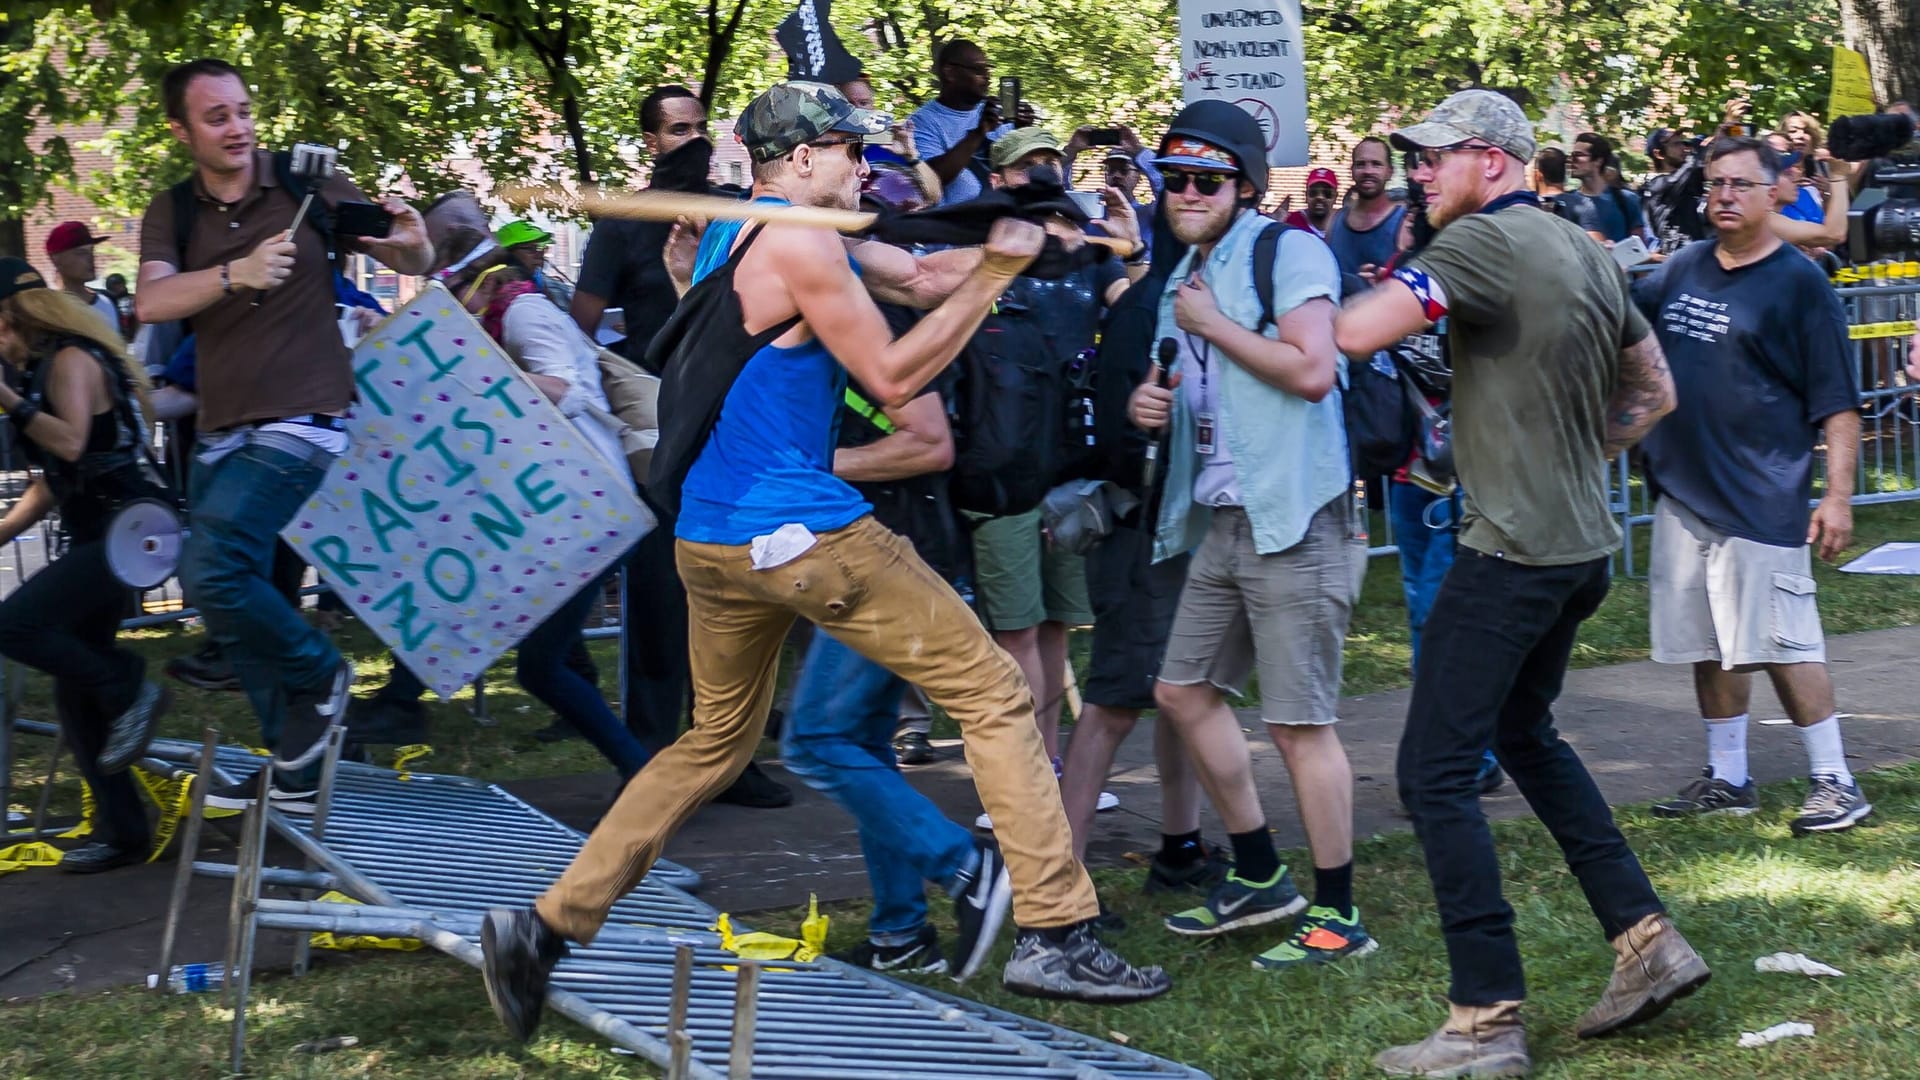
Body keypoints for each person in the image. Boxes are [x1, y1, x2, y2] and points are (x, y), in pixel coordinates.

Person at [477, 84, 1168, 1040]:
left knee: (710, 747)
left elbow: (919, 278)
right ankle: (1053, 929)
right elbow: (896, 377)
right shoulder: (802, 243)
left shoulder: (747, 234)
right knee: (995, 695)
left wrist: (1037, 246)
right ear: (800, 161)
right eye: (848, 151)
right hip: (804, 536)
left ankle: (544, 928)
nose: (863, 166)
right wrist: (995, 279)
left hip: (711, 544)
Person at [1334, 90, 1706, 1076]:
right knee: (1522, 733)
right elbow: (1654, 389)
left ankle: (1485, 1022)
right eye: (1410, 158)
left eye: (1433, 157)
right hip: (1579, 545)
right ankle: (1647, 942)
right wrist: (1578, 461)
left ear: (1491, 161)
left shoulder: (1478, 248)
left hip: (1511, 553)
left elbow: (1357, 332)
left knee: (1431, 771)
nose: (1417, 172)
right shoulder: (1583, 244)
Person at [133, 58, 434, 812]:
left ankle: (322, 674)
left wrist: (412, 243)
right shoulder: (172, 209)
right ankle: (297, 772)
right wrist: (236, 273)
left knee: (209, 570)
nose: (236, 128)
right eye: (216, 117)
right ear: (182, 130)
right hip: (221, 429)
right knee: (236, 611)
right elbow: (152, 301)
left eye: (242, 110)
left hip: (306, 417)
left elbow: (408, 255)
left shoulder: (307, 186)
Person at [1126, 101, 1376, 971]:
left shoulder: (1288, 250)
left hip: (1297, 516)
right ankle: (1264, 874)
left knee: (1300, 723)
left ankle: (1341, 914)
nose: (1186, 193)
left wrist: (1216, 329)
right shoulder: (1184, 274)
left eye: (1207, 179)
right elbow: (1168, 382)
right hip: (1225, 519)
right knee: (1182, 691)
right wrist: (1145, 403)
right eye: (1174, 179)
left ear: (1242, 184)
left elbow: (1312, 370)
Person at [1634, 137, 1871, 834]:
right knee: (1709, 644)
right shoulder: (1684, 267)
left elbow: (1838, 404)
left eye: (1740, 184)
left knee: (1780, 644)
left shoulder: (1801, 286)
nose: (1724, 197)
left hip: (1760, 498)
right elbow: (1623, 320)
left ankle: (1836, 781)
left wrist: (1836, 495)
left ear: (1775, 195)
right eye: (1714, 185)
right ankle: (1729, 777)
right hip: (1685, 496)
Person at [568, 84, 792, 807]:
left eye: (699, 126)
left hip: (732, 421)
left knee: (732, 593)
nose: (690, 140)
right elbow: (582, 318)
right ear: (651, 141)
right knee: (662, 603)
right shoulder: (625, 220)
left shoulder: (737, 210)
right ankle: (653, 765)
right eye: (675, 129)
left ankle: (729, 756)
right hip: (659, 431)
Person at [966, 127, 1143, 828]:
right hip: (1002, 463)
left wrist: (1132, 247)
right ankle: (1034, 780)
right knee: (1016, 633)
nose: (1039, 175)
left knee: (1053, 630)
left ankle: (1052, 775)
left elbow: (1131, 310)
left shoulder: (1087, 247)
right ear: (1000, 179)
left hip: (1069, 462)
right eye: (1024, 166)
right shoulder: (980, 245)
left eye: (1048, 162)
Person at [0, 259, 172, 871]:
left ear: (14, 321)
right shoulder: (59, 365)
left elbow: (70, 442)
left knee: (14, 624)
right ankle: (124, 834)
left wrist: (7, 398)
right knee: (74, 697)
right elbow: (57, 478)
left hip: (125, 530)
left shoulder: (71, 361)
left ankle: (126, 681)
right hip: (106, 529)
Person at [909, 40, 1006, 206]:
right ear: (950, 73)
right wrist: (979, 133)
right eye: (978, 70)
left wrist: (1023, 128)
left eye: (988, 69)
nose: (987, 77)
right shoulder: (921, 122)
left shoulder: (995, 112)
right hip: (953, 225)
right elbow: (931, 179)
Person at [1327, 137, 1406, 279]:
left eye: (1376, 164)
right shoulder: (1333, 222)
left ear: (1390, 172)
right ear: (1351, 171)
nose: (1368, 171)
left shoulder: (1404, 222)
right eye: (1360, 164)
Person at [1559, 132, 1647, 243]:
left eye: (1578, 156)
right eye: (1571, 156)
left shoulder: (1626, 199)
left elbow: (1639, 246)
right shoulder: (1568, 202)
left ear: (1598, 161)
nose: (1571, 160)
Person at [44, 222, 123, 337]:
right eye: (81, 253)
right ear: (55, 258)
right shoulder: (49, 310)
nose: (91, 259)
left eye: (91, 251)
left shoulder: (106, 303)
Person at [1641, 128, 1708, 253]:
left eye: (1684, 143)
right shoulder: (1657, 185)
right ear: (1658, 154)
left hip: (1695, 254)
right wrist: (1699, 150)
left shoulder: (1686, 180)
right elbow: (1690, 168)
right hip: (1676, 259)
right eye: (1676, 144)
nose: (1684, 148)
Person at [495, 220, 571, 309]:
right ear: (508, 255)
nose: (539, 255)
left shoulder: (554, 287)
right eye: (530, 249)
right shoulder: (492, 293)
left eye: (539, 248)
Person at [1284, 167, 1339, 238]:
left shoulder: (1343, 224)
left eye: (1327, 193)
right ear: (1306, 195)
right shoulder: (1293, 221)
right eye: (1313, 192)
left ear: (1335, 197)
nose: (1320, 197)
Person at [102, 273, 136, 340]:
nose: (120, 287)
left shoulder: (131, 299)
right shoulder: (106, 300)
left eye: (120, 284)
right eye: (116, 285)